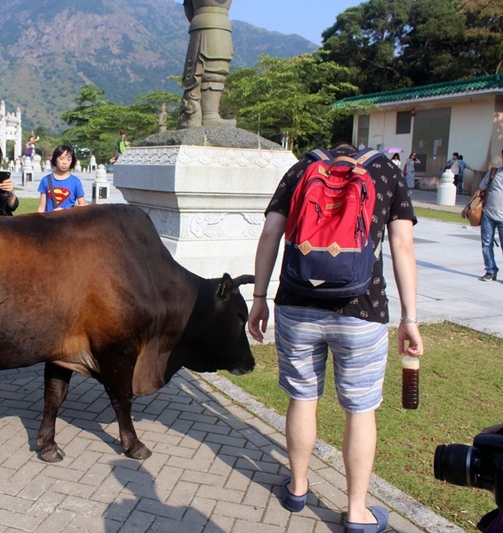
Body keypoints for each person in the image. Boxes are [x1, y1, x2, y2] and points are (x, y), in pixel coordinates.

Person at [248, 142, 422, 533]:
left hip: (297, 302)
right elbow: (403, 245)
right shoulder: (386, 171)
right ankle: (357, 511)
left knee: (302, 398)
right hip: (362, 307)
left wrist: (259, 298)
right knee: (359, 411)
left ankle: (296, 488)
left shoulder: (300, 171)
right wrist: (410, 318)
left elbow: (270, 233)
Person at [178, 0, 236, 128]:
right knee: (215, 70)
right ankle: (210, 115)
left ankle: (204, 114)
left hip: (200, 22)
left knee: (204, 69)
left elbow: (188, 6)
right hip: (215, 23)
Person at [474, 156, 503, 282]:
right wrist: (469, 207)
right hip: (488, 215)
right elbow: (480, 190)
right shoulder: (493, 172)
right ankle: (490, 271)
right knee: (486, 243)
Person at [37, 145, 87, 213]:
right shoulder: (46, 180)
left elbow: (83, 206)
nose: (65, 162)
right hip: (49, 222)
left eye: (68, 159)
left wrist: (65, 211)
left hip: (68, 222)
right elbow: (41, 208)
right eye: (61, 158)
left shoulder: (75, 182)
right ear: (55, 159)